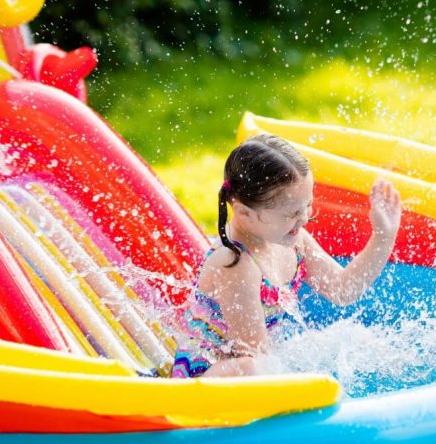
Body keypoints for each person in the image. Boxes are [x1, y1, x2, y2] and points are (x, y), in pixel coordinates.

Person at [171, 134, 402, 378]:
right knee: (251, 366)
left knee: (348, 339)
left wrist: (383, 236)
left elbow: (343, 290)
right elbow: (255, 355)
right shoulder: (235, 264)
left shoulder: (293, 241)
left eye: (308, 205)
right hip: (203, 381)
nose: (303, 218)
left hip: (252, 370)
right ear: (245, 213)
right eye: (291, 213)